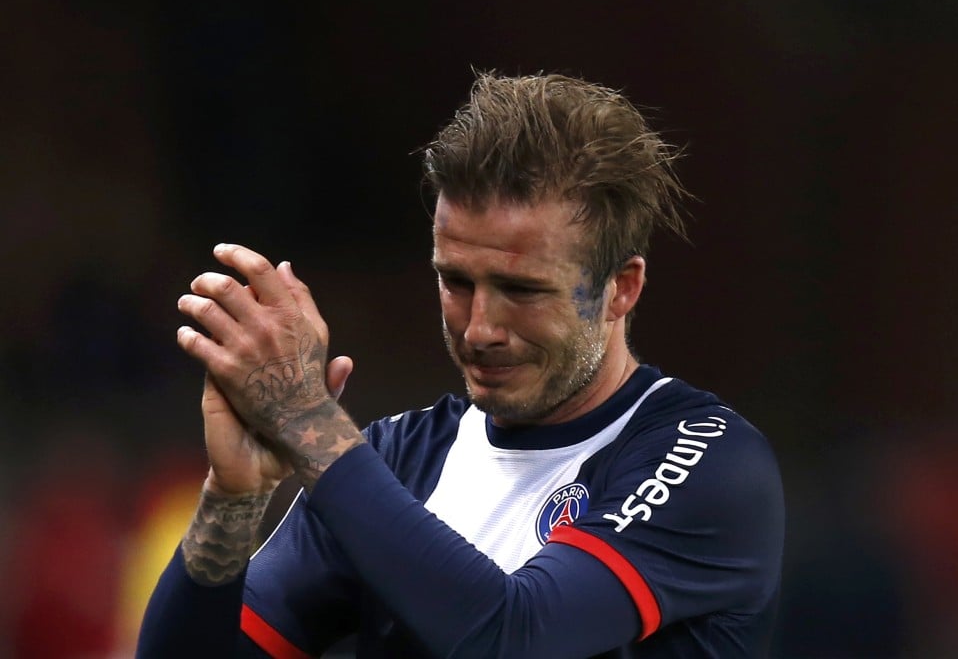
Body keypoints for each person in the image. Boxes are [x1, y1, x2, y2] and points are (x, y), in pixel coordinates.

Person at [138, 72, 784, 658]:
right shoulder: (396, 461)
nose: (479, 329)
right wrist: (235, 497)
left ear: (621, 289)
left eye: (521, 289)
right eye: (456, 281)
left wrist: (307, 421)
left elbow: (513, 636)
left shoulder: (708, 460)